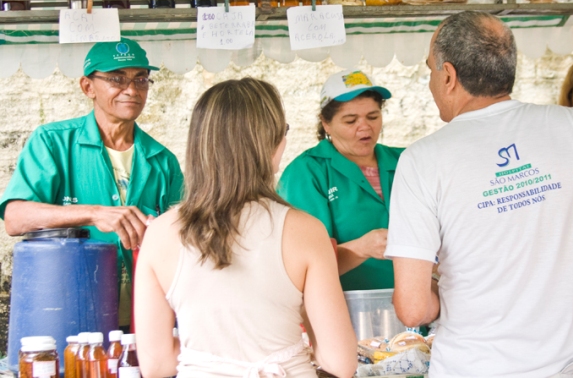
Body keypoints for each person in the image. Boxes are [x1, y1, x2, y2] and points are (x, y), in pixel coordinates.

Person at [386, 12, 573, 378]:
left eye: (430, 70)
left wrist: (445, 286)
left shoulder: (421, 160)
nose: (431, 82)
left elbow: (412, 309)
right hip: (568, 368)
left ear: (449, 76)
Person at [134, 78, 356, 378]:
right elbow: (339, 363)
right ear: (271, 142)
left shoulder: (160, 234)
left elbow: (156, 365)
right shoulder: (305, 231)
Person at [0, 37, 183, 327]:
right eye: (116, 79)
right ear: (88, 87)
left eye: (141, 79)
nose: (131, 90)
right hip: (70, 312)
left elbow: (179, 236)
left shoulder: (162, 160)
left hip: (144, 317)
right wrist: (95, 213)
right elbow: (15, 218)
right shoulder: (53, 142)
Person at [277, 69, 402, 291]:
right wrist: (361, 248)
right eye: (350, 120)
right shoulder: (307, 173)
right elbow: (299, 263)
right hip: (347, 308)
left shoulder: (405, 160)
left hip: (416, 306)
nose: (365, 127)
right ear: (326, 123)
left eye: (373, 117)